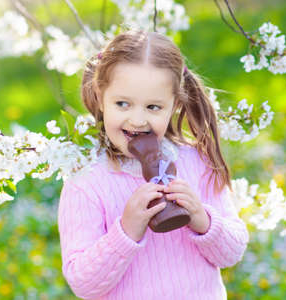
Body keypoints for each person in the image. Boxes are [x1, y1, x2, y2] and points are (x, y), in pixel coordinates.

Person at [57, 29, 249, 300]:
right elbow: (83, 284)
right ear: (101, 97)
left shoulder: (196, 162)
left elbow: (232, 253)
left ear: (174, 105)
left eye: (153, 107)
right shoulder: (86, 183)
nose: (137, 120)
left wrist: (201, 219)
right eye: (122, 103)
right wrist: (126, 230)